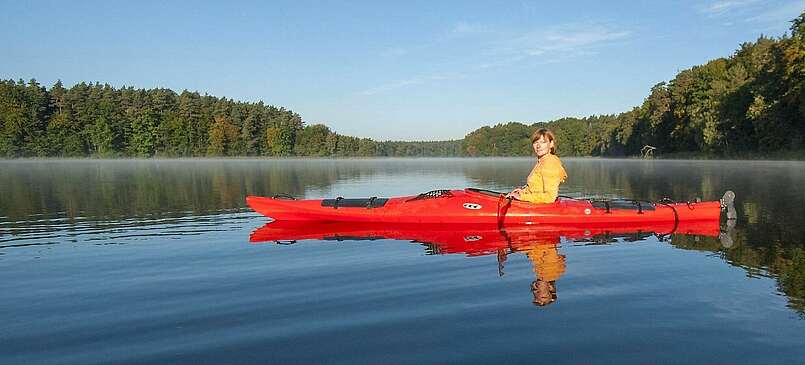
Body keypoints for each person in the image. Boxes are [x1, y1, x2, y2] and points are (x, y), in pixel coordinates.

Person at [506, 128, 567, 203]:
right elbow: (537, 188)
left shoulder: (550, 163)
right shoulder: (541, 162)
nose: (538, 146)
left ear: (551, 144)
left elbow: (550, 197)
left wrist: (522, 197)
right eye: (535, 142)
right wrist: (523, 191)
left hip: (541, 209)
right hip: (534, 205)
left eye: (543, 142)